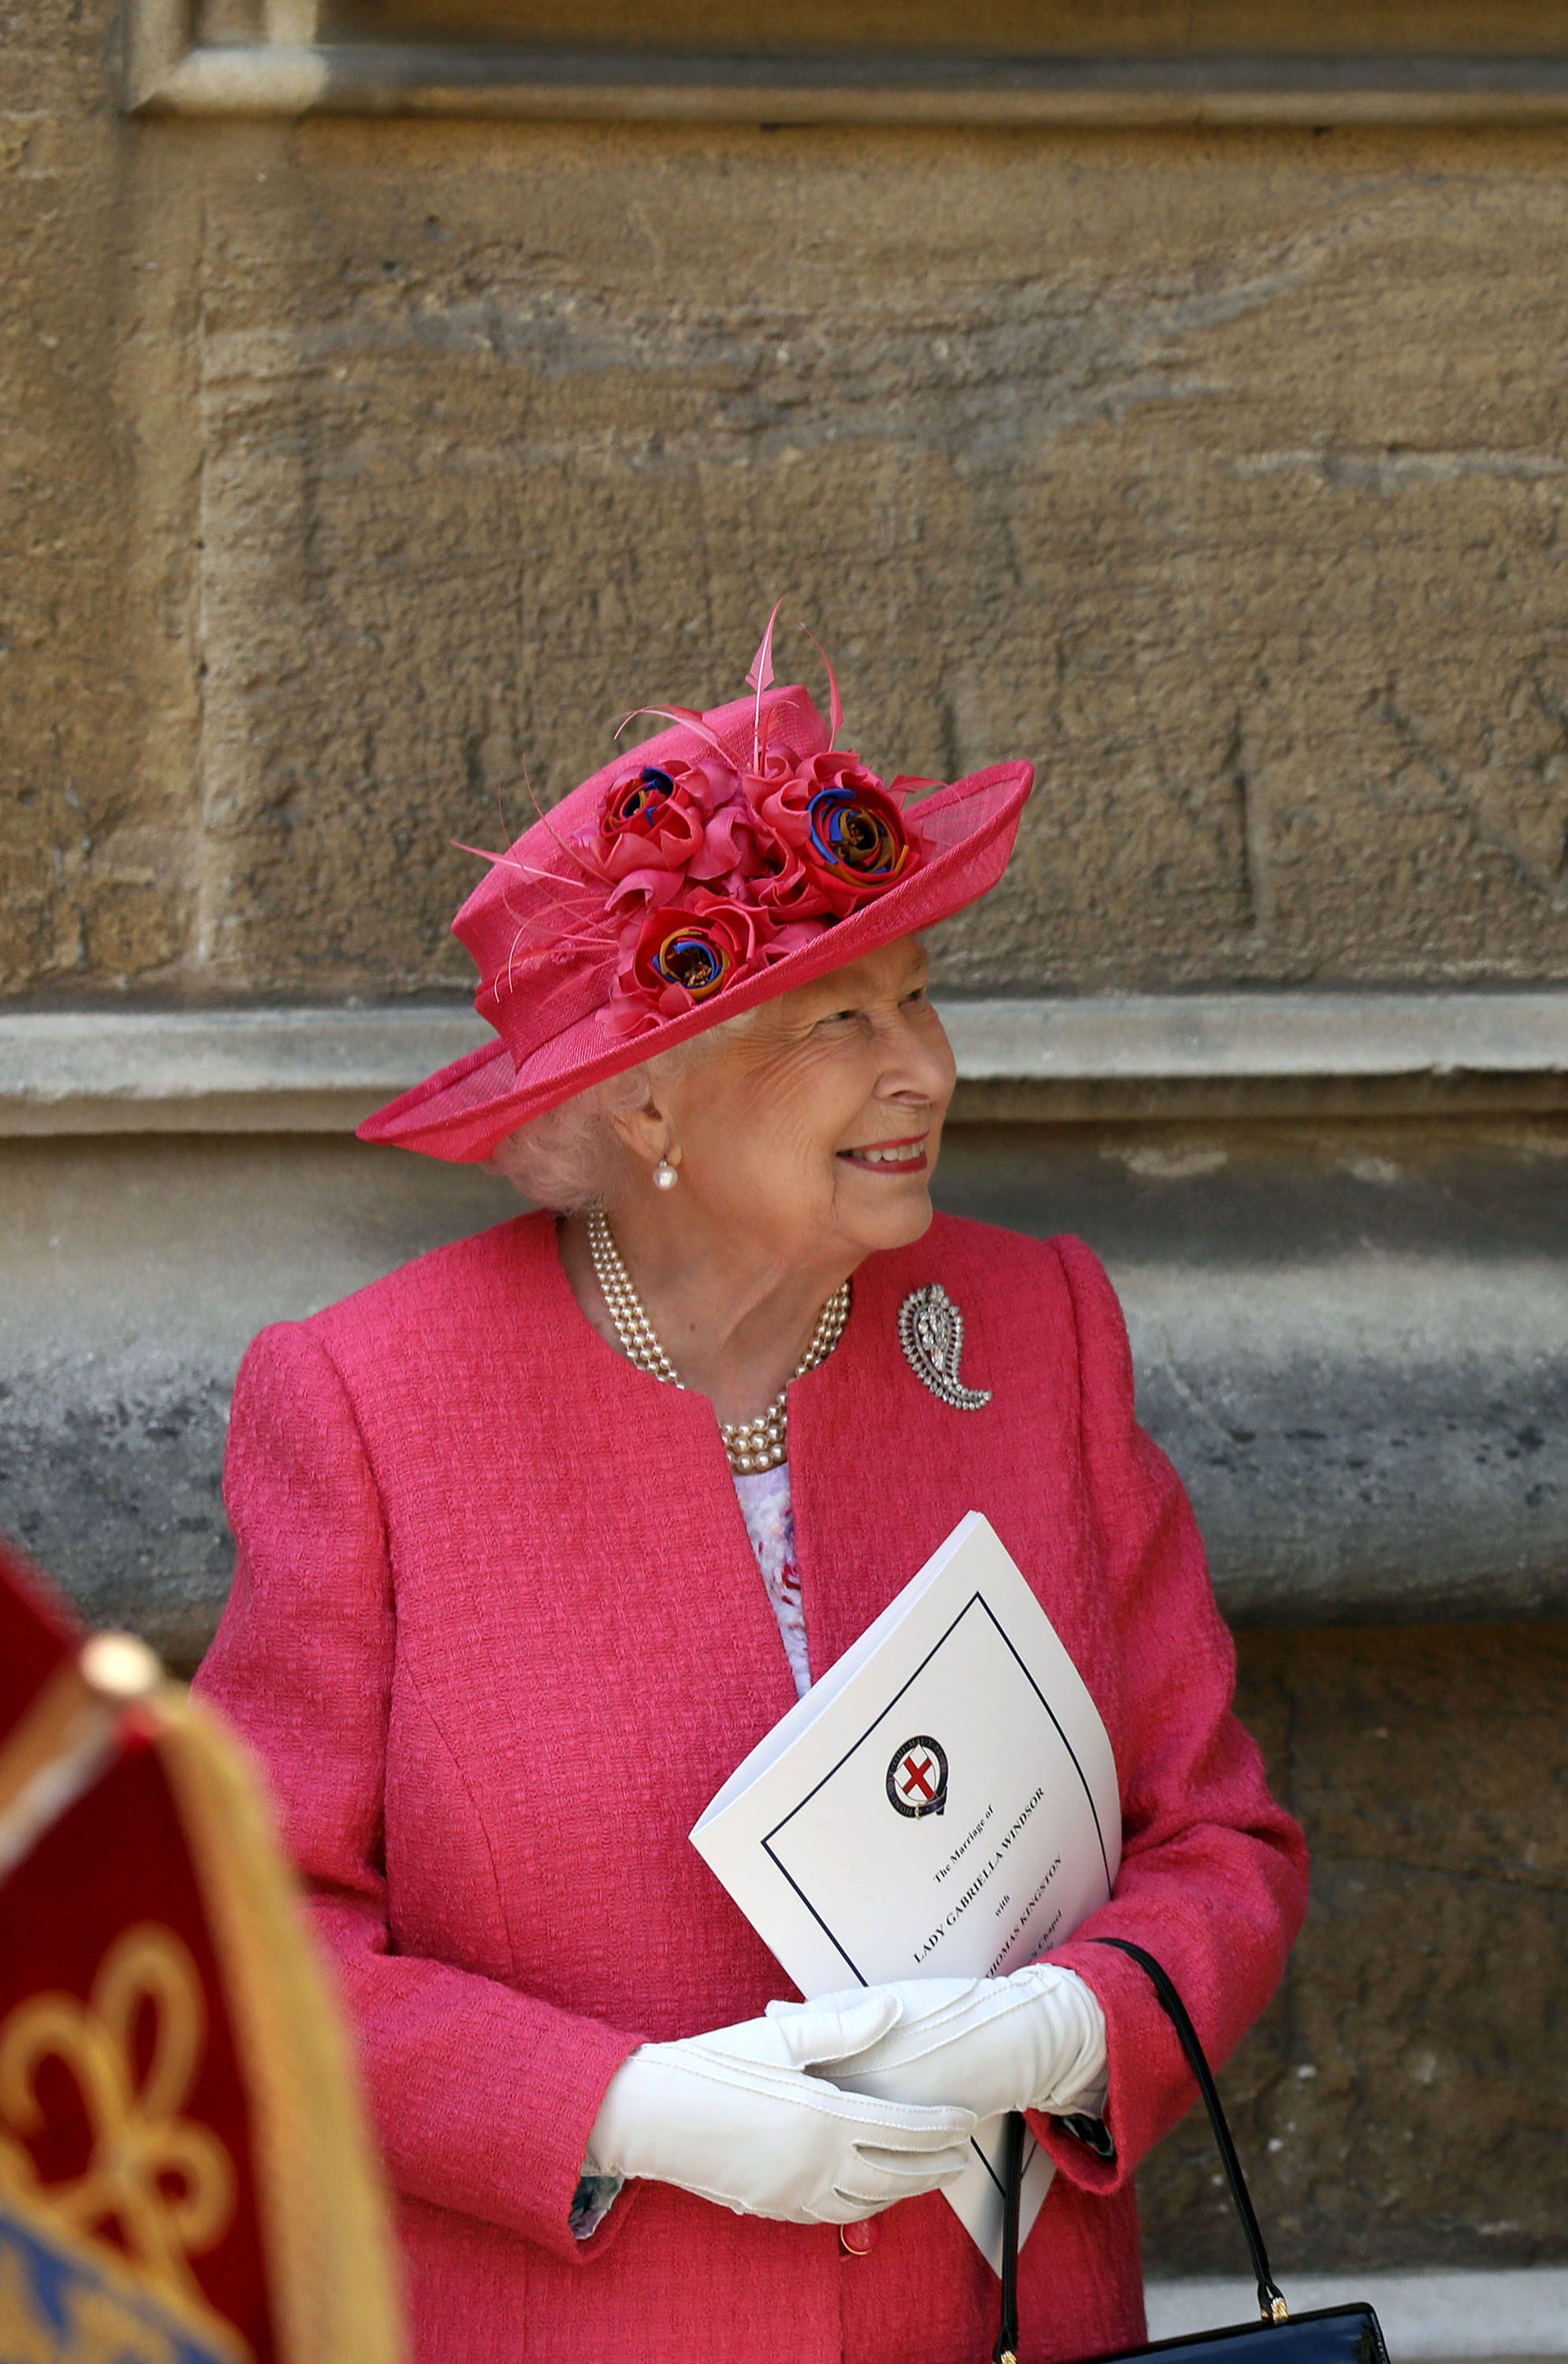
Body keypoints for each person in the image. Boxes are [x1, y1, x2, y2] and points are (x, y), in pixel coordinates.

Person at [194, 625, 1309, 2361]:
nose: (922, 1067)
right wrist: (625, 2104)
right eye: (837, 1019)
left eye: (923, 993)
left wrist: (1064, 2027)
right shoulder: (369, 1405)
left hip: (1003, 2326)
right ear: (647, 1094)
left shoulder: (1036, 1330)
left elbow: (1220, 1842)